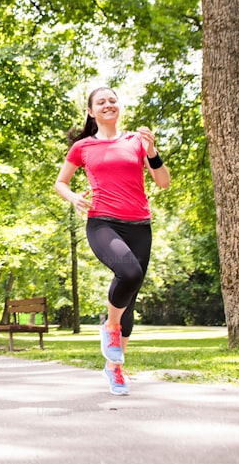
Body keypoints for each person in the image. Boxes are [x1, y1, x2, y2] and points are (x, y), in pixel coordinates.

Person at [54, 86, 170, 397]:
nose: (108, 104)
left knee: (128, 300)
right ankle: (110, 329)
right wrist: (73, 197)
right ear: (91, 111)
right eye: (101, 102)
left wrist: (153, 150)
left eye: (113, 100)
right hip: (102, 222)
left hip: (139, 225)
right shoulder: (82, 147)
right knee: (129, 273)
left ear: (119, 107)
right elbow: (60, 181)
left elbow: (163, 182)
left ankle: (115, 369)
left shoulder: (136, 141)